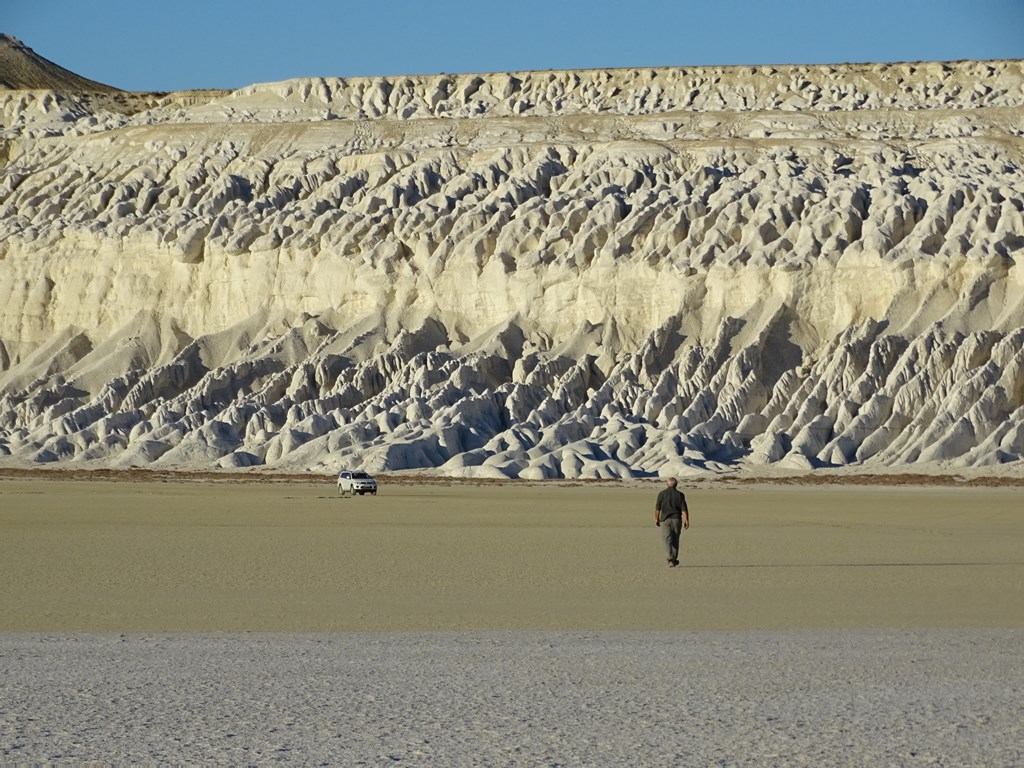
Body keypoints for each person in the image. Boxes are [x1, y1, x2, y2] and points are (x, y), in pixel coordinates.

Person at [654, 477, 689, 567]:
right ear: (676, 484)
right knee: (675, 539)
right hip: (677, 520)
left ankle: (670, 559)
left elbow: (657, 508)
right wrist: (687, 520)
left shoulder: (661, 494)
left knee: (667, 539)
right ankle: (673, 559)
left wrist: (657, 519)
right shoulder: (680, 495)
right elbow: (684, 509)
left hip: (665, 520)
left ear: (667, 484)